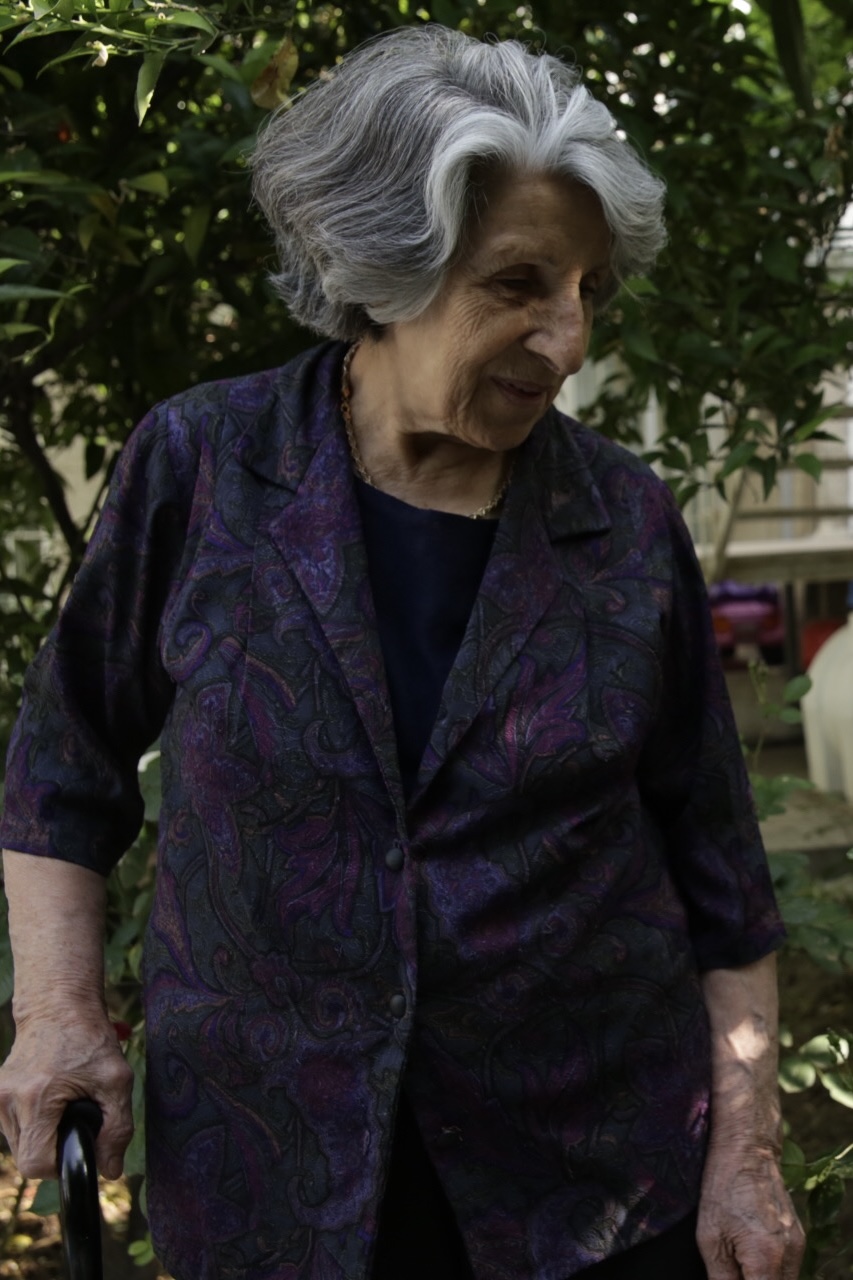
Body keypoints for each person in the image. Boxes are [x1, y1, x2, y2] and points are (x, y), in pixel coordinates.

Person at [0, 24, 804, 1280]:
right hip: (269, 1178)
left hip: (583, 1185)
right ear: (380, 261)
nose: (567, 340)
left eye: (587, 290)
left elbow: (720, 869)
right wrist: (56, 1016)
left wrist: (744, 1147)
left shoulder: (623, 519)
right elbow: (63, 763)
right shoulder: (204, 464)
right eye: (518, 284)